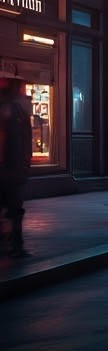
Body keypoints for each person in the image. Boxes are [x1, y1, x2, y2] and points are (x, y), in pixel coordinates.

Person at [0, 77, 32, 258]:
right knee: (15, 207)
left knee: (14, 207)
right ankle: (16, 243)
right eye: (23, 88)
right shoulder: (14, 111)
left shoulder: (16, 111)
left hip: (13, 168)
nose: (26, 92)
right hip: (12, 169)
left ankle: (15, 242)